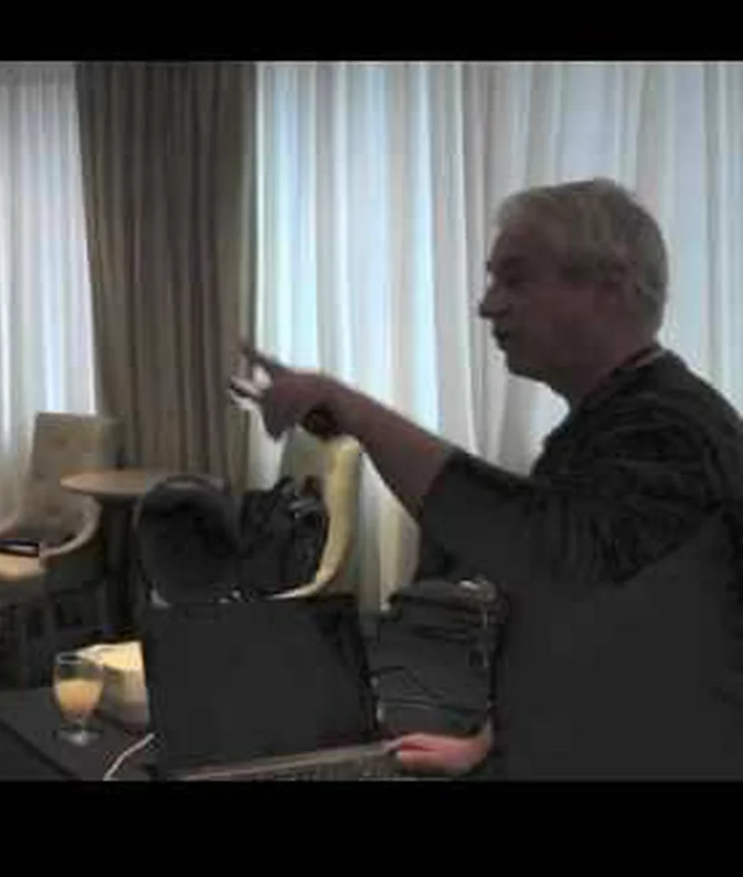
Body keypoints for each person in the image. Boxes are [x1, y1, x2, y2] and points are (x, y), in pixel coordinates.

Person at [238, 177, 743, 778]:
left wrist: (358, 413)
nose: (488, 306)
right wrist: (488, 746)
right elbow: (593, 630)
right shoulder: (617, 418)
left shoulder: (672, 429)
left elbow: (543, 554)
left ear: (610, 288)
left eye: (516, 279)